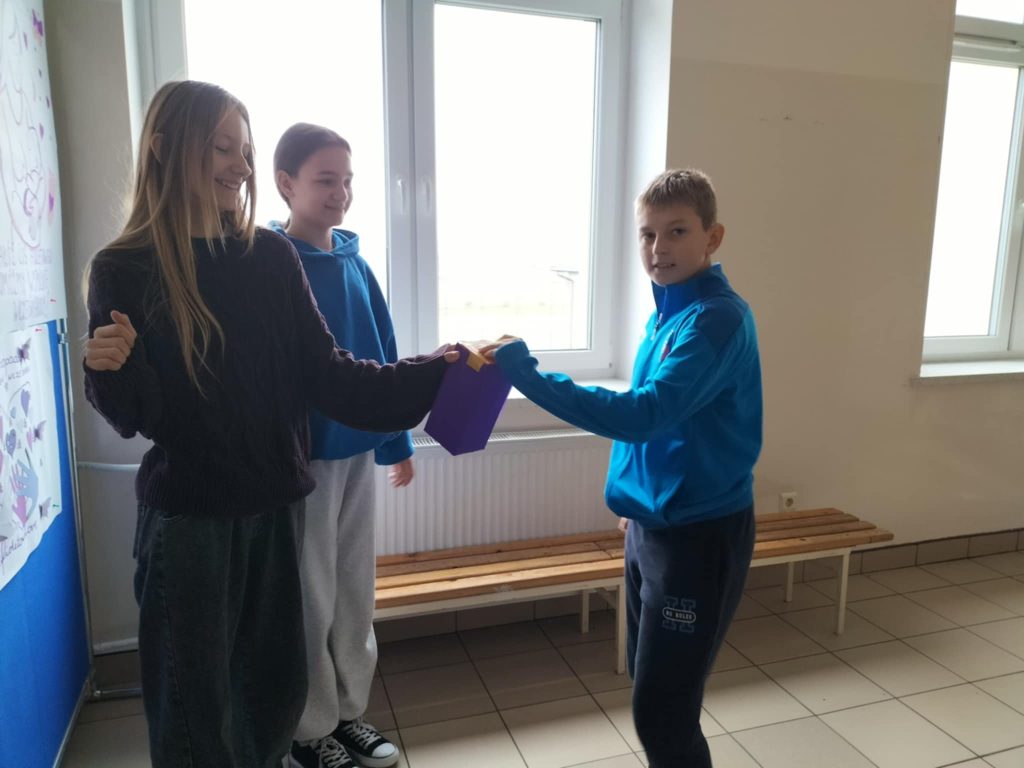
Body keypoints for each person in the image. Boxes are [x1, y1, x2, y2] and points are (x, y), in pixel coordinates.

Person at [82, 80, 456, 768]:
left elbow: (333, 377)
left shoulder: (270, 258)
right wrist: (106, 370)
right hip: (190, 529)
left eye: (245, 150)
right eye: (222, 148)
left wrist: (442, 370)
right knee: (196, 721)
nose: (241, 166)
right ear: (163, 148)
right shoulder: (124, 267)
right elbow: (136, 416)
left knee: (272, 702)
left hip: (277, 512)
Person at [484, 169, 762, 768]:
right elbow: (663, 430)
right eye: (647, 234)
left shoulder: (716, 320)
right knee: (650, 683)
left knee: (664, 712)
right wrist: (636, 507)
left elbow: (644, 415)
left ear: (713, 238)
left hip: (699, 536)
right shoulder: (667, 316)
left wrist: (526, 375)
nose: (658, 248)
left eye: (677, 231)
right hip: (651, 528)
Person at [269, 123, 406, 768]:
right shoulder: (272, 264)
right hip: (303, 463)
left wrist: (396, 443)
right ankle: (310, 728)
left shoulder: (356, 265)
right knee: (311, 596)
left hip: (355, 456)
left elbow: (385, 359)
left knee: (355, 590)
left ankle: (350, 712)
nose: (340, 193)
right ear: (286, 184)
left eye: (347, 181)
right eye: (326, 180)